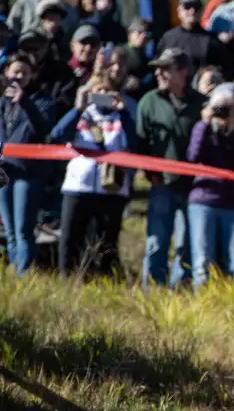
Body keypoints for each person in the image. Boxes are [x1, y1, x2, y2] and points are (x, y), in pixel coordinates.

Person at [50, 75, 135, 276]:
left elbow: (134, 142)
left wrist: (123, 112)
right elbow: (57, 136)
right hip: (78, 186)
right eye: (98, 91)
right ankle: (67, 278)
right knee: (71, 237)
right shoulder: (81, 115)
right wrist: (77, 108)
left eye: (107, 91)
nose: (103, 95)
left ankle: (103, 280)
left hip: (111, 189)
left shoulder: (121, 118)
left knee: (106, 241)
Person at [137, 48, 205, 289]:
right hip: (161, 184)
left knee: (186, 243)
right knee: (157, 241)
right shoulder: (149, 102)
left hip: (192, 187)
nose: (159, 73)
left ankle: (180, 289)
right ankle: (153, 289)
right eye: (158, 68)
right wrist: (150, 174)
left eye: (166, 68)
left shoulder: (200, 104)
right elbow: (140, 143)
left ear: (183, 71)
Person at [186, 83, 234, 289]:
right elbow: (193, 157)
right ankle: (202, 305)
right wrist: (205, 123)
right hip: (203, 200)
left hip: (233, 203)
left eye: (228, 107)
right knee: (202, 259)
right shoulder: (202, 128)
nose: (223, 112)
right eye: (220, 107)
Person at [0, 53, 55, 275]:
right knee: (10, 230)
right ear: (6, 73)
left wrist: (24, 101)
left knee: (24, 229)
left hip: (28, 173)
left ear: (32, 75)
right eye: (15, 72)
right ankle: (16, 269)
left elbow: (42, 128)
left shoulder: (43, 100)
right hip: (4, 171)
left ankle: (25, 273)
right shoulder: (1, 102)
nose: (19, 76)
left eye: (24, 72)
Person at [157, 0, 225, 71]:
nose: (192, 11)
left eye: (196, 7)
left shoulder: (211, 40)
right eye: (187, 6)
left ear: (202, 11)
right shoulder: (168, 37)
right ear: (179, 11)